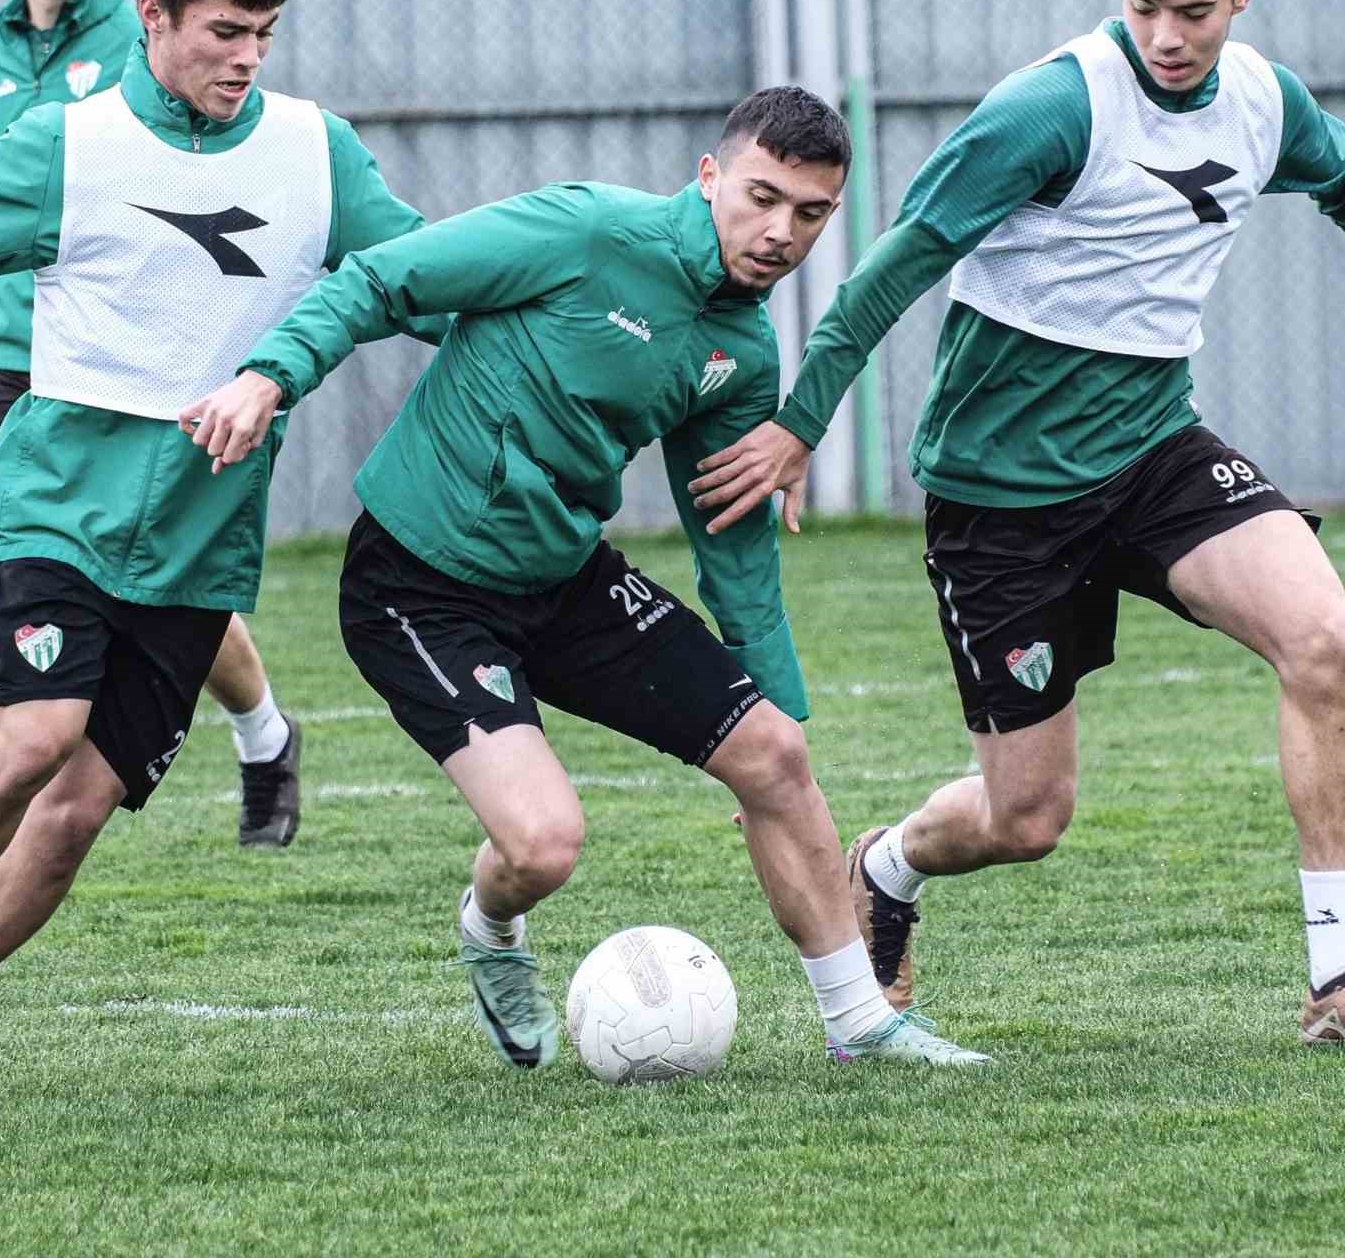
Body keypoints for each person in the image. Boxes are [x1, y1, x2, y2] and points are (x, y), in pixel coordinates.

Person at [689, 0, 1345, 1054]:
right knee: (1026, 817)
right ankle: (886, 866)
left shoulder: (1265, 102)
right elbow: (900, 259)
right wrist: (801, 418)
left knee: (1325, 639)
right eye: (1144, 7)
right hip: (1002, 495)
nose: (1167, 37)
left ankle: (1341, 980)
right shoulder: (1050, 108)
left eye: (1193, 10)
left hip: (1153, 449)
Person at [182, 86, 990, 1072]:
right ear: (709, 176)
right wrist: (270, 376)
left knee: (775, 753)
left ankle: (859, 1022)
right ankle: (490, 928)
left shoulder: (742, 353)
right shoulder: (586, 229)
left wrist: (776, 709)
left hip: (565, 579)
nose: (781, 232)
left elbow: (734, 547)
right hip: (418, 586)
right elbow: (382, 279)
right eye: (762, 197)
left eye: (811, 213)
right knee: (543, 846)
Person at [0, 0, 439, 1097]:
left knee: (72, 817)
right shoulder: (71, 146)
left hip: (199, 542)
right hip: (61, 500)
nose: (247, 57)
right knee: (33, 735)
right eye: (224, 32)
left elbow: (428, 274)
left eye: (264, 33)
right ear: (152, 16)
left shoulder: (315, 150)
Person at [0, 0, 303, 852]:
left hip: (129, 356)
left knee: (159, 575)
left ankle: (263, 730)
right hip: (12, 351)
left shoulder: (147, 46)